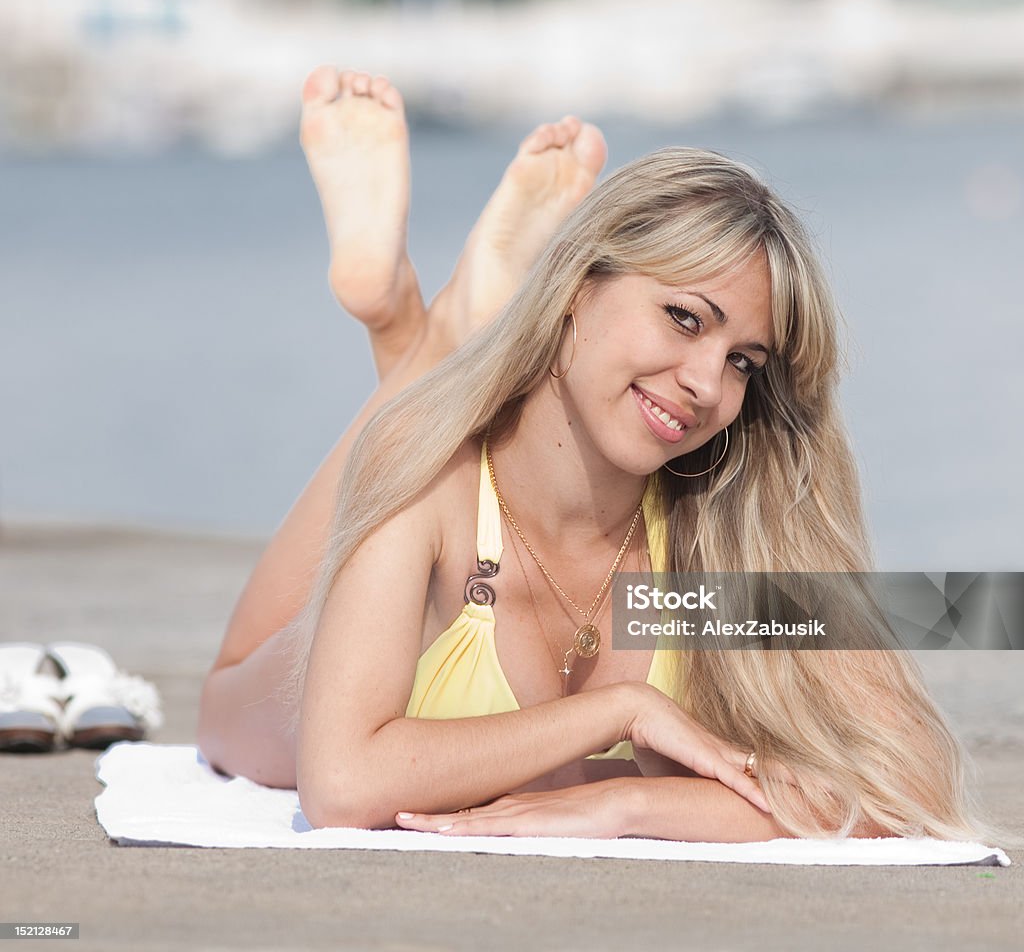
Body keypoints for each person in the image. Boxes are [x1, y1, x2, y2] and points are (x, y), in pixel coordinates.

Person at [197, 67, 986, 843]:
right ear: (577, 287)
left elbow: (908, 777)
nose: (708, 384)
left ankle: (438, 335)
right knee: (229, 698)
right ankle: (427, 339)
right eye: (683, 318)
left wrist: (630, 806)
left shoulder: (718, 534)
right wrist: (622, 713)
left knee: (419, 424)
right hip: (429, 575)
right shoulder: (435, 490)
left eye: (745, 360)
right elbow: (341, 785)